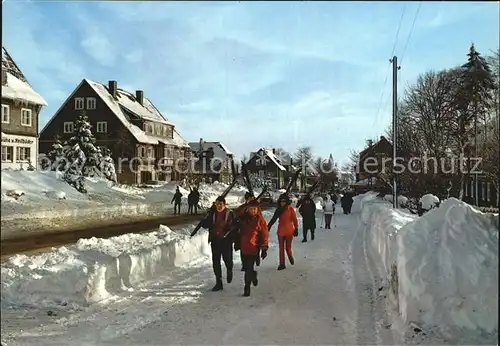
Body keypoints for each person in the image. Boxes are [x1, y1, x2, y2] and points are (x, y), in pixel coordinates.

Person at [201, 196, 235, 291]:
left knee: (227, 259)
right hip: (215, 240)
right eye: (217, 204)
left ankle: (229, 269)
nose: (218, 206)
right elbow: (205, 224)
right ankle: (218, 282)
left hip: (226, 240)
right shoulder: (212, 213)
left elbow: (234, 226)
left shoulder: (230, 213)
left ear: (224, 204)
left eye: (220, 204)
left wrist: (229, 230)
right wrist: (206, 219)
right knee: (216, 262)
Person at [238, 199, 269, 296]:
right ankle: (253, 274)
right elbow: (236, 213)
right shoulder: (242, 218)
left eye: (255, 209)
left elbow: (265, 235)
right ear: (248, 209)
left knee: (248, 268)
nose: (253, 211)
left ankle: (247, 287)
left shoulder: (260, 220)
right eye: (251, 209)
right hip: (243, 248)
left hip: (254, 248)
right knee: (246, 267)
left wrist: (264, 247)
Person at [268, 193, 298, 270]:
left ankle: (290, 255)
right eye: (281, 201)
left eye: (284, 201)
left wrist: (296, 228)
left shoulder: (290, 209)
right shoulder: (278, 210)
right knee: (281, 248)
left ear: (287, 201)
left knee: (288, 247)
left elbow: (295, 220)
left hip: (289, 231)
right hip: (281, 231)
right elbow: (273, 219)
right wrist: (269, 226)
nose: (282, 203)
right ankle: (282, 264)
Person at [234, 192, 254, 271]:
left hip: (252, 230)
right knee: (242, 247)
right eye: (248, 198)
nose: (249, 200)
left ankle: (254, 259)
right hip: (243, 230)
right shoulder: (242, 207)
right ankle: (244, 264)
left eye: (250, 199)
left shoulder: (255, 207)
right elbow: (237, 216)